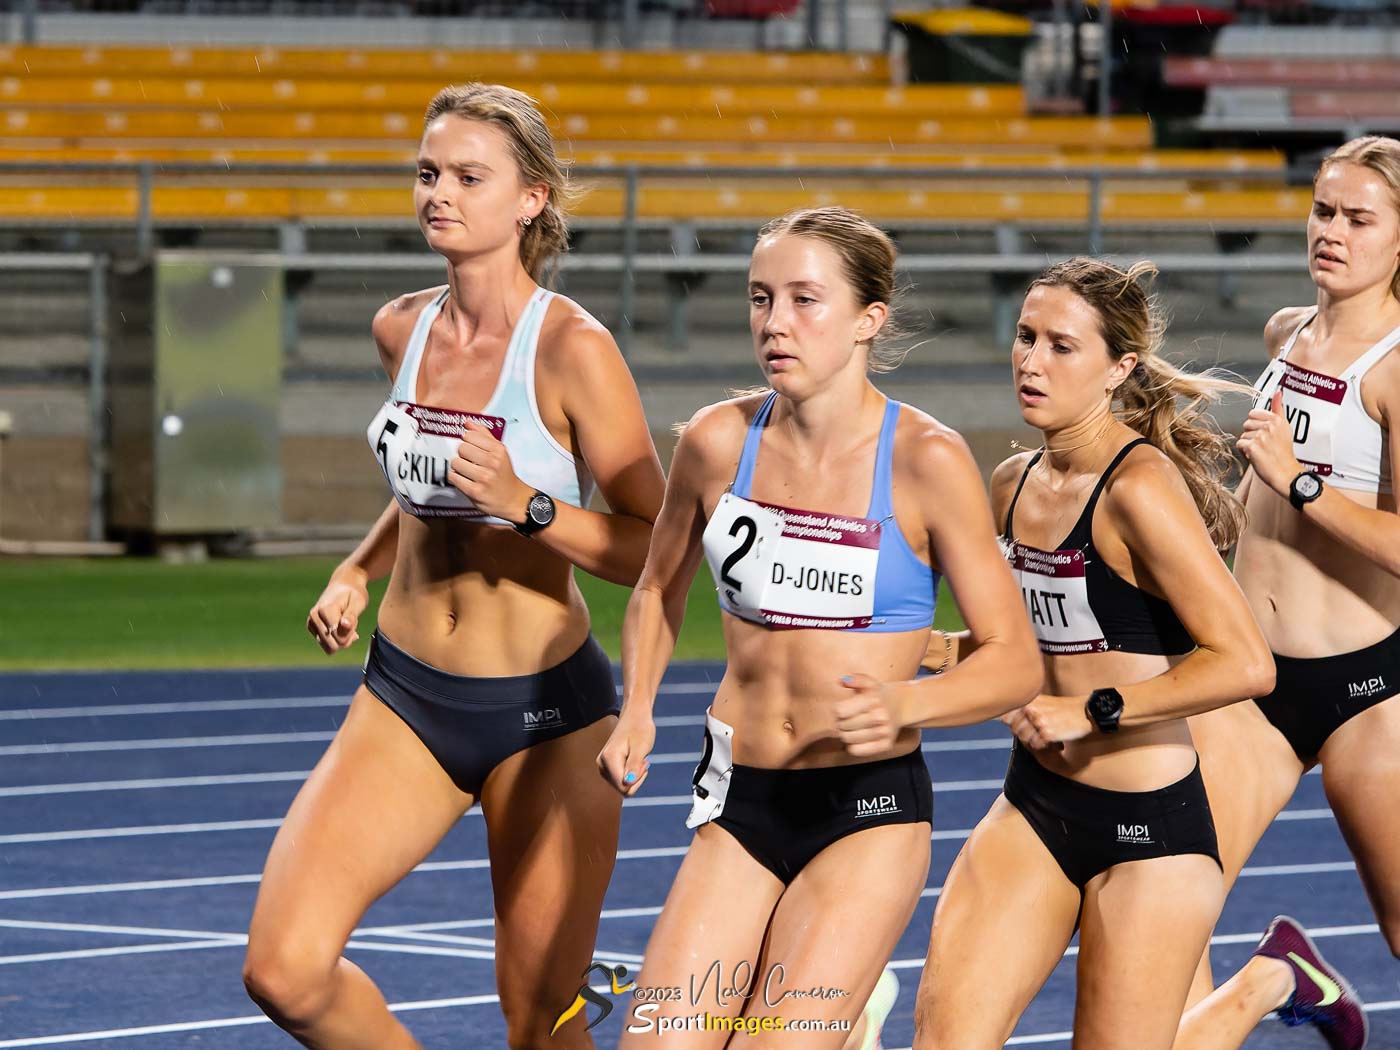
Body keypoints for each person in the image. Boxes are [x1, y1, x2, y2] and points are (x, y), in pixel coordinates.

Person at [241, 83, 665, 1049]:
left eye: (471, 177)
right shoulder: (403, 327)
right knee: (284, 968)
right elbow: (424, 485)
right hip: (403, 696)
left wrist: (531, 506)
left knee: (542, 1022)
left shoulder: (573, 350)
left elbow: (653, 542)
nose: (440, 193)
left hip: (545, 715)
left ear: (532, 200)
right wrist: (356, 566)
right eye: (429, 173)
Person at [597, 205, 1042, 1048]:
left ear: (869, 319)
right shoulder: (719, 442)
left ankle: (845, 1016)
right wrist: (638, 709)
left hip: (864, 804)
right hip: (742, 797)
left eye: (806, 300)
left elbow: (1014, 661)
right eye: (761, 298)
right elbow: (658, 588)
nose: (775, 323)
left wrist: (909, 705)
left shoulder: (928, 460)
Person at [913, 258, 1275, 1050]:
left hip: (1149, 828)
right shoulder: (1011, 481)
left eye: (1061, 346)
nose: (1031, 360)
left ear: (1119, 369)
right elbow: (1059, 634)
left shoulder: (1137, 488)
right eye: (1025, 336)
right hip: (1035, 807)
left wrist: (1092, 710)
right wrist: (944, 649)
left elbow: (1246, 660)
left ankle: (1259, 987)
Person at [1170, 135, 1400, 1050]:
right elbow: (1257, 507)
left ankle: (1278, 975)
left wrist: (1306, 485)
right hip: (1249, 678)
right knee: (1166, 892)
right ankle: (1275, 979)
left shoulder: (1393, 367)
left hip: (1362, 689)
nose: (1332, 231)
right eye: (1322, 210)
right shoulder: (1284, 335)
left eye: (1359, 218)